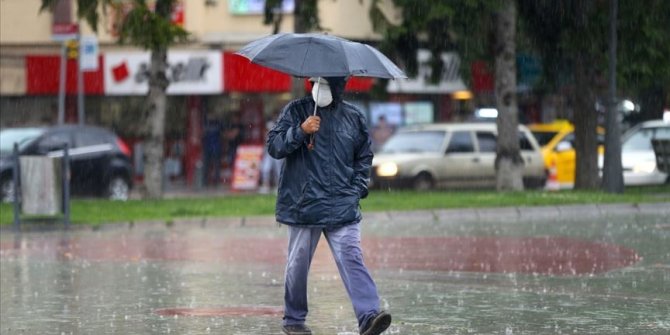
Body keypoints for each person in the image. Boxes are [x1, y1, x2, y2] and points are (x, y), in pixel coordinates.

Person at [267, 77, 392, 335]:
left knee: (352, 257)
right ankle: (294, 319)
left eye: (327, 83)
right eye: (316, 82)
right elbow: (275, 146)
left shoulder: (353, 117)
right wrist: (301, 131)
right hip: (305, 205)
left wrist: (357, 188)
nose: (320, 87)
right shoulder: (296, 111)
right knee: (297, 264)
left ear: (339, 86)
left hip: (342, 205)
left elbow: (363, 157)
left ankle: (369, 316)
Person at [201, 116, 223, 186]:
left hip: (210, 147)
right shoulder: (218, 125)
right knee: (215, 165)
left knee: (208, 165)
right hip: (214, 147)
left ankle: (206, 181)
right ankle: (214, 181)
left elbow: (202, 135)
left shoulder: (206, 126)